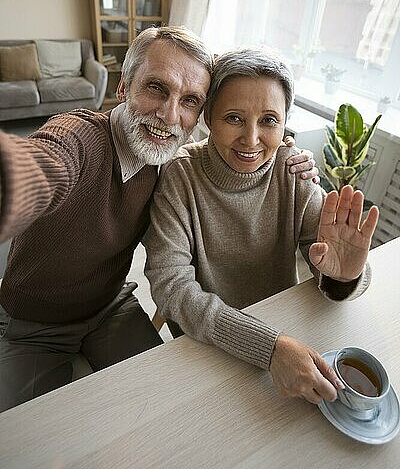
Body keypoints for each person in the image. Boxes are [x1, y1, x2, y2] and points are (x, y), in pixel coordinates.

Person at [0, 27, 317, 412]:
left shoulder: (167, 162)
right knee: (27, 434)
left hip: (109, 308)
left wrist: (284, 151)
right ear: (123, 86)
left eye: (189, 101)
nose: (169, 115)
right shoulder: (79, 137)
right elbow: (44, 161)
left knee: (169, 406)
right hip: (33, 323)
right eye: (156, 88)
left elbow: (244, 145)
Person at [144, 46, 379, 405]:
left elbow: (335, 270)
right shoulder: (180, 176)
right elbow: (171, 288)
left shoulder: (293, 170)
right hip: (212, 342)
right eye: (234, 118)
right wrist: (269, 348)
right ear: (208, 117)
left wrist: (343, 277)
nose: (251, 139)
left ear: (285, 123)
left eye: (269, 120)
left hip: (286, 333)